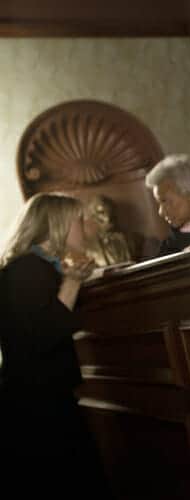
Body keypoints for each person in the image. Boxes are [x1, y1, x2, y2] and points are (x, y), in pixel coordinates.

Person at [0, 192, 110, 497]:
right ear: (57, 225)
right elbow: (45, 336)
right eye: (79, 220)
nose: (85, 227)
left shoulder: (38, 267)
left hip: (42, 402)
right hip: (34, 410)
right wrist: (73, 283)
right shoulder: (27, 270)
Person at [82, 194, 133, 266]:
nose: (108, 218)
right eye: (101, 213)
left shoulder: (132, 239)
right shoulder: (89, 247)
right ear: (93, 217)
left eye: (110, 211)